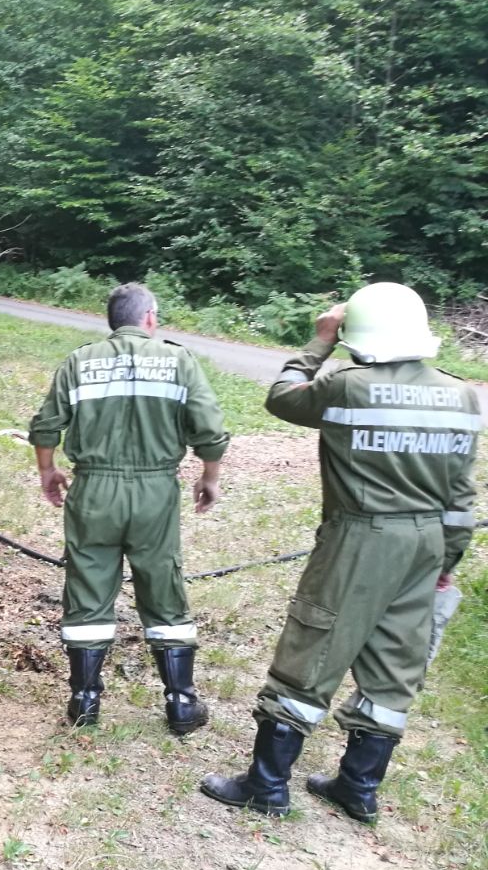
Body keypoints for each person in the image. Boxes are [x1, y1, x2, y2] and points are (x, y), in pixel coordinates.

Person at [201, 283, 478, 821]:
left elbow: (282, 396)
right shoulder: (462, 395)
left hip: (360, 538)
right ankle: (359, 788)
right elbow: (461, 497)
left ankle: (266, 785)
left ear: (359, 337)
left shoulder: (347, 386)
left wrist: (320, 341)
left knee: (312, 649)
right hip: (426, 543)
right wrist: (446, 562)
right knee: (395, 663)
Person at [28, 283, 230, 733]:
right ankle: (181, 704)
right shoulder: (179, 361)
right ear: (150, 318)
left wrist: (47, 470)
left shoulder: (80, 361)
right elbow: (209, 428)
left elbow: (46, 425)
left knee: (87, 584)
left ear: (112, 320)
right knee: (162, 585)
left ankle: (84, 701)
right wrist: (209, 476)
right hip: (155, 490)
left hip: (93, 489)